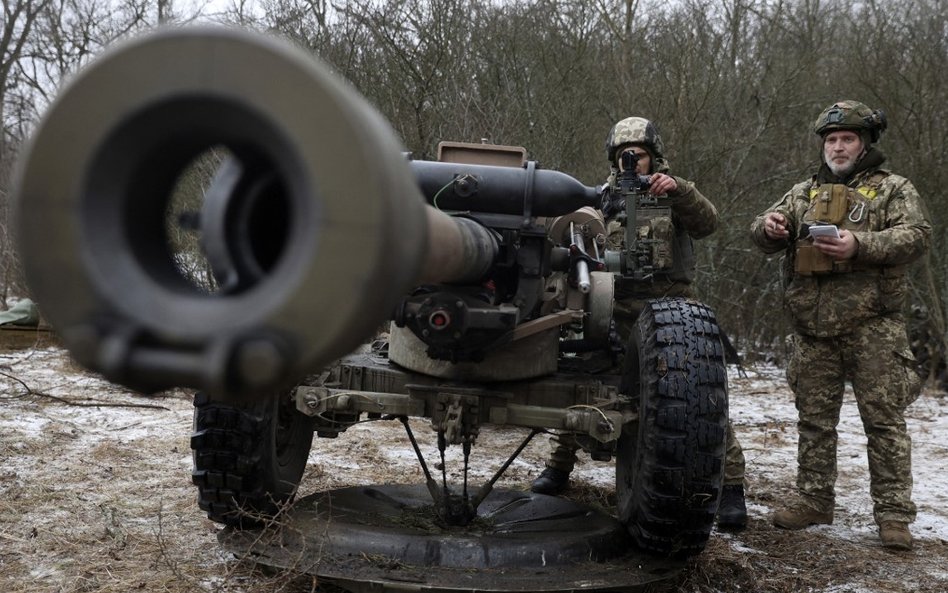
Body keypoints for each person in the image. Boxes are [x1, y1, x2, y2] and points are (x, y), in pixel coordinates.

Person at [530, 116, 749, 530]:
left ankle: (731, 489)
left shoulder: (673, 191)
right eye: (625, 156)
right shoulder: (600, 196)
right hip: (610, 306)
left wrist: (679, 190)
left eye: (641, 155)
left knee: (697, 400)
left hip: (671, 309)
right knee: (584, 386)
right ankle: (559, 467)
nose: (633, 162)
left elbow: (708, 223)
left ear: (654, 157)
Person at [750, 100, 931, 550]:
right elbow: (759, 231)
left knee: (884, 423)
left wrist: (860, 245)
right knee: (813, 421)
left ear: (864, 143)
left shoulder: (893, 188)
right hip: (812, 328)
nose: (838, 146)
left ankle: (893, 517)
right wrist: (769, 227)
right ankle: (814, 499)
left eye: (847, 138)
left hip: (873, 325)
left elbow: (917, 236)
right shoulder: (803, 192)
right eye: (831, 140)